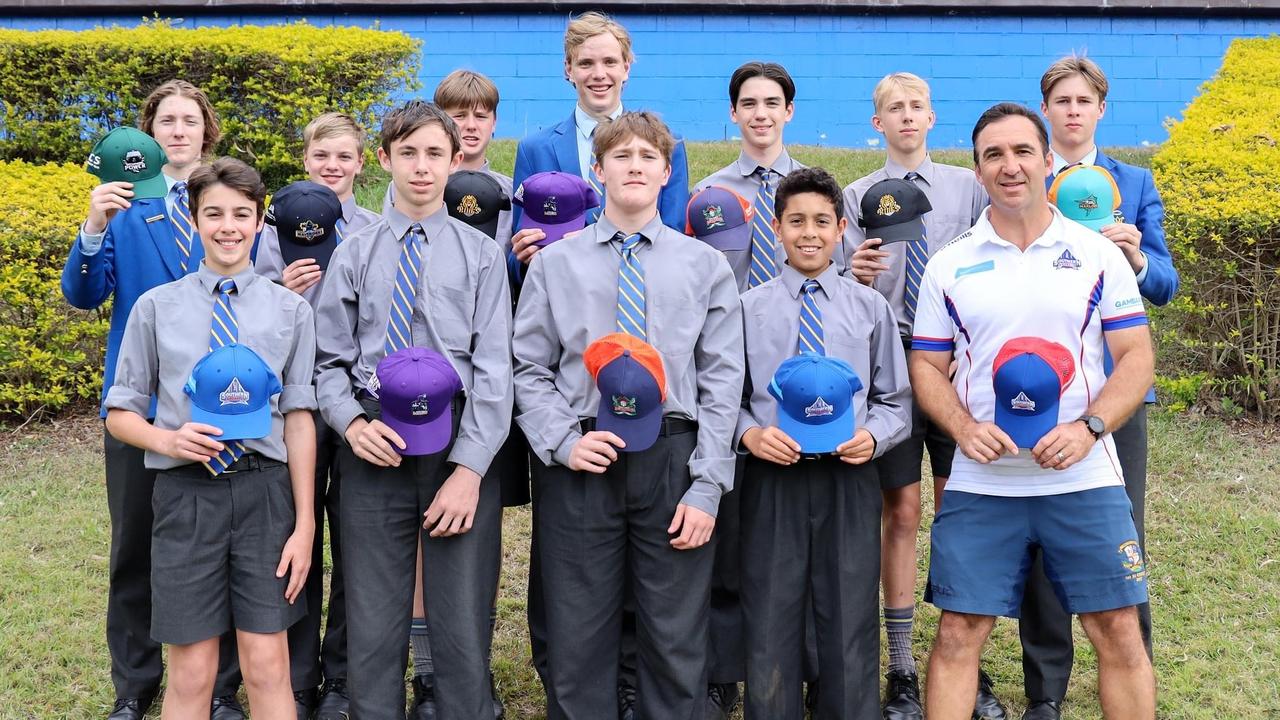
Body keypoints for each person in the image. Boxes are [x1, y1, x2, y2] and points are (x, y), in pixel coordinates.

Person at [910, 102, 1156, 720]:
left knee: (1117, 630)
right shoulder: (949, 264)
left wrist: (1089, 427)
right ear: (977, 170)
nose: (1010, 165)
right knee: (960, 633)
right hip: (982, 482)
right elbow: (925, 367)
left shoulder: (1096, 254)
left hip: (1083, 475)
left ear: (1048, 162)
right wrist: (962, 426)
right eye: (994, 154)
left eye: (1023, 151)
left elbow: (1134, 357)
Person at [512, 110, 743, 720]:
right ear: (597, 170)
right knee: (578, 628)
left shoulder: (704, 266)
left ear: (667, 173)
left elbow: (722, 380)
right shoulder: (556, 265)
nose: (634, 166)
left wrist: (708, 484)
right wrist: (562, 442)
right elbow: (528, 367)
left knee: (673, 630)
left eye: (648, 157)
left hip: (672, 455)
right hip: (583, 455)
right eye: (622, 156)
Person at [312, 99, 512, 719]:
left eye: (434, 154)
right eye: (407, 154)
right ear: (384, 160)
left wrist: (471, 469)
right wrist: (349, 422)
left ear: (456, 161)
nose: (421, 168)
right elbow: (328, 361)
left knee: (459, 617)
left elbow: (495, 369)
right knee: (372, 617)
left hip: (456, 442)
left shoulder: (481, 257)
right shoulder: (355, 251)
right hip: (376, 440)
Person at [60, 79, 248, 720]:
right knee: (134, 549)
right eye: (165, 121)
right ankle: (135, 687)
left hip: (220, 400)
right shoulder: (127, 210)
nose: (177, 130)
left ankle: (221, 689)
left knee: (221, 546)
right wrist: (92, 226)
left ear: (206, 130)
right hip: (140, 409)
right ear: (149, 134)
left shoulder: (229, 204)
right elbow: (86, 296)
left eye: (189, 120)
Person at [103, 157, 317, 720]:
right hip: (185, 497)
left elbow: (298, 417)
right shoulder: (157, 308)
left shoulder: (290, 310)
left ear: (259, 221)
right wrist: (168, 441)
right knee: (193, 670)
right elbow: (119, 413)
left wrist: (304, 522)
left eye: (242, 214)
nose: (228, 226)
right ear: (194, 220)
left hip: (265, 496)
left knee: (267, 664)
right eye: (214, 213)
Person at [1017, 55, 1179, 720]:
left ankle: (1131, 664)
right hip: (1039, 387)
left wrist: (1135, 254)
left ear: (1101, 110)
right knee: (1040, 538)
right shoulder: (1024, 177)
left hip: (1114, 392)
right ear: (1047, 110)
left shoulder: (1132, 183)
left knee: (1121, 535)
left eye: (1084, 100)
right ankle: (1045, 689)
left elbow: (1166, 286)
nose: (1073, 110)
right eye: (1061, 100)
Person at [841, 71, 994, 720]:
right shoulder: (856, 196)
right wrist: (856, 274)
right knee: (901, 513)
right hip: (893, 367)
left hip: (958, 366)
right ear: (877, 124)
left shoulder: (968, 187)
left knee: (959, 512)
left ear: (933, 118)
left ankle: (969, 663)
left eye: (916, 107)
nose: (906, 117)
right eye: (893, 110)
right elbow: (843, 298)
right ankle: (903, 667)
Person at [737, 167, 911, 719]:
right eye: (795, 222)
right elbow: (724, 396)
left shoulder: (869, 309)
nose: (808, 233)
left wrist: (872, 436)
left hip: (847, 474)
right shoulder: (748, 308)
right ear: (776, 228)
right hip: (772, 475)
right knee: (769, 612)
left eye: (820, 221)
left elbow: (895, 398)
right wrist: (751, 434)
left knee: (848, 610)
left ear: (841, 229)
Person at [254, 111, 381, 720]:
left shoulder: (377, 231)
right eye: (320, 156)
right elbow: (245, 322)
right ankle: (298, 674)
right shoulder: (268, 234)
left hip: (356, 403)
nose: (332, 166)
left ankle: (344, 675)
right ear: (305, 160)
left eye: (344, 156)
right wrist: (280, 288)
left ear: (362, 162)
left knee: (355, 539)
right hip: (289, 405)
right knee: (293, 536)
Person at [509, 11, 691, 275]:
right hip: (564, 296)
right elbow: (517, 257)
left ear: (626, 67)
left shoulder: (666, 146)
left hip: (639, 295)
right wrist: (524, 258)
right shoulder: (534, 150)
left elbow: (674, 238)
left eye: (609, 62)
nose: (599, 74)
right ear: (568, 69)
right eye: (586, 63)